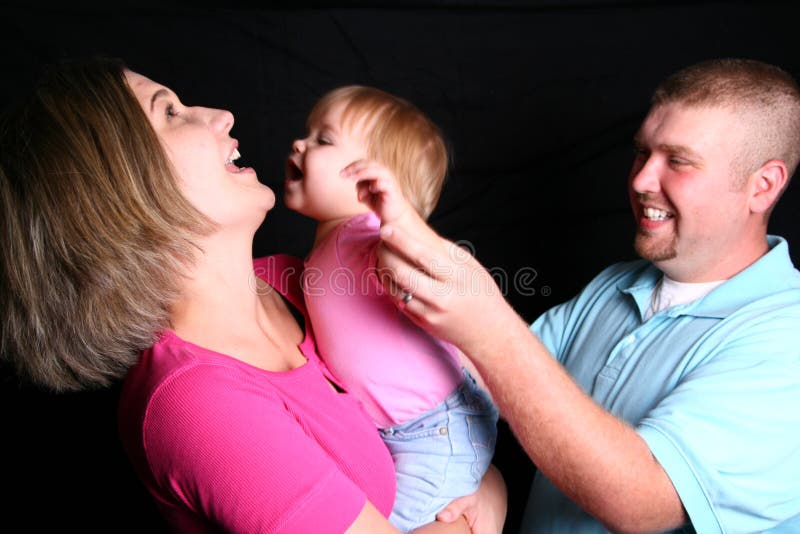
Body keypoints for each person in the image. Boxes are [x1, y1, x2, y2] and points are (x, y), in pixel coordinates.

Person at [0, 56, 507, 533]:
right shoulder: (194, 405)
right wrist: (480, 501)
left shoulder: (294, 281)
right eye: (171, 113)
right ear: (116, 190)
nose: (221, 116)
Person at [348, 57, 800, 532]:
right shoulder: (615, 287)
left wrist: (487, 324)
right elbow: (486, 385)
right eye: (642, 153)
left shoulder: (785, 338)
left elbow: (643, 501)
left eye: (678, 161)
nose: (642, 180)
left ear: (762, 186)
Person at [284, 85, 499, 533]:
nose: (300, 144)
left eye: (324, 140)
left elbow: (417, 262)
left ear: (373, 185)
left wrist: (397, 221)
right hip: (404, 430)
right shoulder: (328, 246)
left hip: (435, 432)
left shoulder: (368, 237)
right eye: (309, 133)